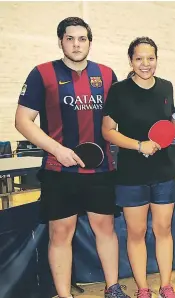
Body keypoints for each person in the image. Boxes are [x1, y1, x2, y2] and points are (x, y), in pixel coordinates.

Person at [14, 17, 129, 298]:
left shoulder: (106, 74)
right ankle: (64, 295)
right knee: (61, 234)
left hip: (101, 170)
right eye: (70, 38)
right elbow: (22, 121)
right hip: (59, 170)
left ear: (90, 41)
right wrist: (58, 150)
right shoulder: (42, 74)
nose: (76, 44)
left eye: (82, 39)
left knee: (106, 230)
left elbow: (118, 119)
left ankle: (112, 288)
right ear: (60, 41)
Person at [102, 37, 175, 298]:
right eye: (139, 58)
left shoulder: (166, 87)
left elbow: (173, 124)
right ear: (131, 61)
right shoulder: (118, 91)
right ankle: (142, 287)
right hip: (131, 174)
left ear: (157, 60)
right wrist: (139, 145)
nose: (145, 64)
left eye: (150, 58)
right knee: (136, 232)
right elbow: (107, 131)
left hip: (163, 172)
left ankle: (166, 285)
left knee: (163, 230)